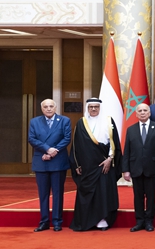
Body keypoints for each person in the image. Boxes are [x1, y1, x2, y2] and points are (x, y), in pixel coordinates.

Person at [69, 98, 121, 231]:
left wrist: (110, 159)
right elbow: (76, 146)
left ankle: (103, 220)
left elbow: (114, 143)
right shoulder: (81, 123)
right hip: (87, 166)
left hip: (104, 164)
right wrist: (77, 164)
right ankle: (87, 221)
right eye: (90, 107)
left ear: (100, 108)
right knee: (87, 193)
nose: (93, 109)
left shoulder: (108, 121)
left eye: (96, 107)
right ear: (87, 108)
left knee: (103, 192)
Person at [28, 98, 71, 232]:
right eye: (45, 107)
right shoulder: (34, 122)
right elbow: (32, 138)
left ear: (55, 107)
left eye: (51, 106)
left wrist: (53, 151)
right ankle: (44, 221)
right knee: (43, 194)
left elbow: (67, 138)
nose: (48, 109)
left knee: (58, 193)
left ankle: (57, 221)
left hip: (58, 161)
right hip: (41, 161)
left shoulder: (64, 120)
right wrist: (47, 149)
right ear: (42, 109)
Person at [122, 104, 155, 232]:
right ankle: (139, 221)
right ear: (136, 114)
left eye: (145, 110)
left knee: (151, 197)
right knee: (138, 197)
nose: (142, 112)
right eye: (140, 111)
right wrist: (126, 170)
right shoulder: (131, 129)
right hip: (136, 168)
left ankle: (149, 221)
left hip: (152, 168)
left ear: (149, 113)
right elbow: (127, 151)